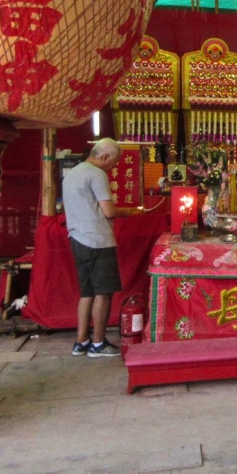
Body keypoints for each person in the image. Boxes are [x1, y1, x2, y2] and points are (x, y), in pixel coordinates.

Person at [62, 138, 135, 358]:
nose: (113, 167)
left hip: (77, 239)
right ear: (104, 157)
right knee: (103, 294)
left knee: (87, 293)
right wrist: (128, 212)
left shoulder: (73, 173)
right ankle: (98, 343)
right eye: (113, 162)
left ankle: (81, 341)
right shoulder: (96, 174)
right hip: (97, 241)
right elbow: (109, 211)